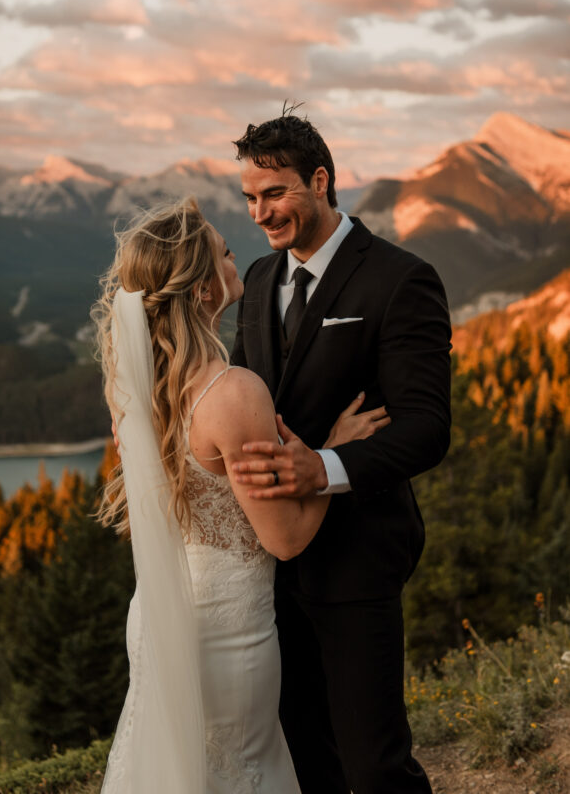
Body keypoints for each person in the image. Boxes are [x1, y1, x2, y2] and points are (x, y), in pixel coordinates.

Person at [93, 199, 388, 794]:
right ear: (203, 291)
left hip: (158, 615)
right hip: (229, 630)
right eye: (226, 253)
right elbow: (286, 538)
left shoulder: (136, 387)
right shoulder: (232, 391)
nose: (239, 258)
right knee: (242, 771)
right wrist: (330, 451)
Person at [229, 109, 452, 794]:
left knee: (375, 764)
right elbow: (244, 395)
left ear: (320, 180)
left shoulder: (399, 278)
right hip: (273, 558)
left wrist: (323, 467)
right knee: (303, 758)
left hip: (359, 557)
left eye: (275, 193)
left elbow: (425, 428)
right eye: (250, 198)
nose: (261, 214)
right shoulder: (261, 279)